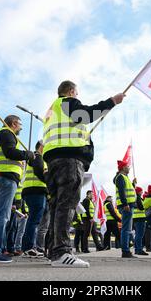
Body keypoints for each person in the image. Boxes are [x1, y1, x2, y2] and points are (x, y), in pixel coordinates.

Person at [43, 80, 124, 268]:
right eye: (77, 94)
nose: (77, 97)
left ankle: (54, 252)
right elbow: (85, 114)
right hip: (68, 159)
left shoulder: (51, 111)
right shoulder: (66, 102)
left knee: (57, 206)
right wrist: (112, 101)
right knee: (67, 204)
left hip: (54, 160)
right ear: (71, 92)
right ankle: (62, 252)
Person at [0, 115, 34, 264]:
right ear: (13, 123)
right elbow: (10, 152)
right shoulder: (7, 133)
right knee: (2, 216)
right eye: (20, 125)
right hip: (6, 178)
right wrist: (27, 155)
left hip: (0, 177)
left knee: (0, 215)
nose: (21, 128)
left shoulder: (2, 134)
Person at [21, 140, 48, 257]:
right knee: (34, 221)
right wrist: (50, 182)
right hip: (35, 191)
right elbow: (39, 171)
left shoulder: (37, 157)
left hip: (33, 191)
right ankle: (28, 248)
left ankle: (29, 247)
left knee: (33, 221)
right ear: (41, 146)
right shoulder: (37, 157)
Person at [114, 160, 137, 258]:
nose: (129, 168)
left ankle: (126, 250)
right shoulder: (120, 177)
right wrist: (125, 204)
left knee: (127, 229)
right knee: (126, 229)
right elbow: (122, 192)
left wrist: (133, 184)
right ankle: (125, 251)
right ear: (123, 168)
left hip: (128, 205)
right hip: (126, 206)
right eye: (127, 166)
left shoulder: (124, 177)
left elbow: (128, 191)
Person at [133, 187, 147, 256]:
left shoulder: (135, 198)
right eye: (141, 191)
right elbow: (141, 207)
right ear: (138, 192)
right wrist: (146, 207)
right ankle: (139, 249)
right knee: (140, 235)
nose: (142, 192)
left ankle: (137, 249)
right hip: (140, 218)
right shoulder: (138, 198)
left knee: (137, 235)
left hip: (136, 218)